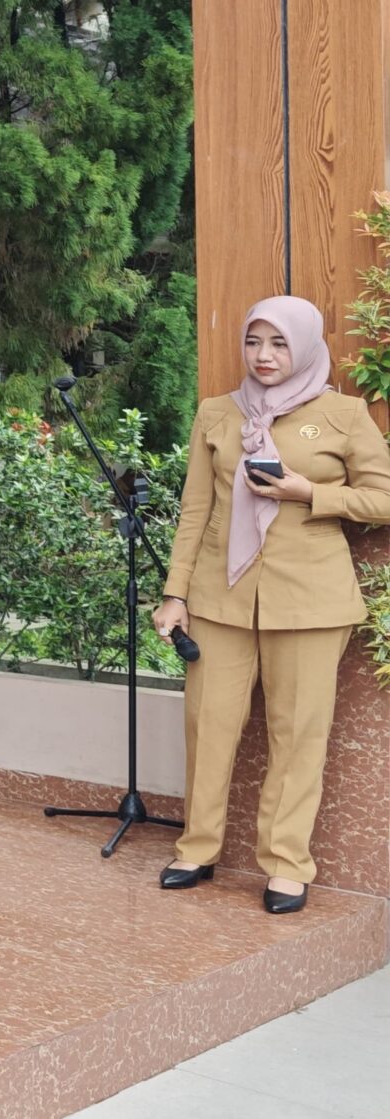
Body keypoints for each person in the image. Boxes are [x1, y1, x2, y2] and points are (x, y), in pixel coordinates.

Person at [153, 296, 390, 914]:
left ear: (305, 346)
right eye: (254, 341)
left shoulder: (343, 413)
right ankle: (197, 848)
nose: (263, 355)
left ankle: (286, 864)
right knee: (208, 725)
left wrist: (309, 491)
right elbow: (196, 510)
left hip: (311, 601)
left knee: (298, 734)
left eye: (279, 343)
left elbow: (383, 497)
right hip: (219, 596)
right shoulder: (217, 412)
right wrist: (175, 594)